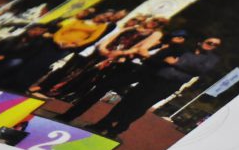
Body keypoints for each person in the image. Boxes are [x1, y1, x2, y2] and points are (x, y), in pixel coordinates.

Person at [93, 35, 223, 137]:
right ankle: (103, 123)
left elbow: (201, 70)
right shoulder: (184, 49)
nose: (211, 45)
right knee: (128, 100)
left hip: (170, 84)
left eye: (215, 45)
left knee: (142, 106)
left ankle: (117, 129)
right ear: (201, 42)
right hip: (154, 77)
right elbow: (163, 57)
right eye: (210, 42)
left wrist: (176, 63)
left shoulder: (211, 59)